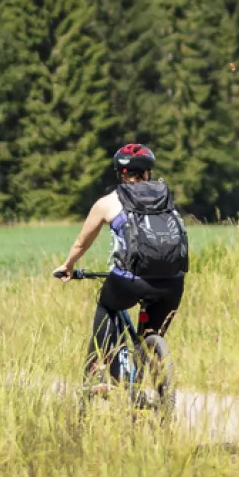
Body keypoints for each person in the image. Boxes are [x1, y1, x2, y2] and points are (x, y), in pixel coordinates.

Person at [53, 143, 190, 383]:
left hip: (129, 282)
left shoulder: (108, 202)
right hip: (172, 283)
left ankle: (100, 368)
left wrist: (68, 266)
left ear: (121, 174)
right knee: (148, 338)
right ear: (147, 172)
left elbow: (81, 243)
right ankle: (153, 384)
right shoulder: (166, 198)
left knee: (108, 306)